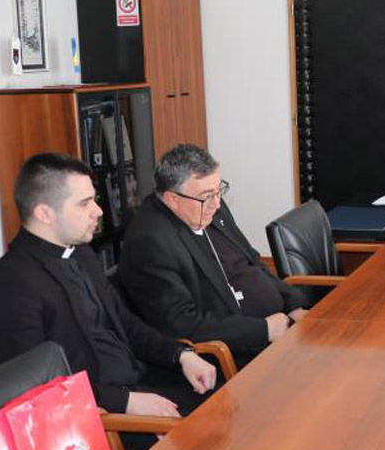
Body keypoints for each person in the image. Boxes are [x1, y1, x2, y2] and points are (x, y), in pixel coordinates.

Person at [0, 153, 218, 420]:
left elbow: (125, 323)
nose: (99, 211)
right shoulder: (13, 281)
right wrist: (125, 403)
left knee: (228, 404)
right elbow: (36, 388)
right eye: (84, 204)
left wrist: (180, 354)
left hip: (139, 379)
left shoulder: (81, 253)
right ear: (45, 213)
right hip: (100, 412)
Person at [118, 144, 308, 365]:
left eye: (219, 191)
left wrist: (293, 305)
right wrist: (262, 330)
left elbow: (252, 261)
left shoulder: (207, 206)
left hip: (281, 328)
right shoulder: (149, 243)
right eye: (207, 196)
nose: (216, 204)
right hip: (235, 354)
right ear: (172, 199)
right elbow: (181, 325)